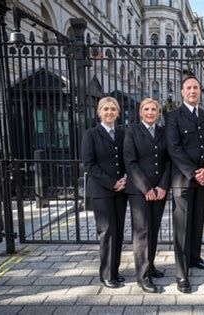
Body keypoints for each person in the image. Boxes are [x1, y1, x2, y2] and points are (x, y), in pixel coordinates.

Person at [165, 75, 204, 293]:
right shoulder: (173, 117)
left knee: (197, 222)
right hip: (184, 180)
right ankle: (181, 273)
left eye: (196, 88)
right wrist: (193, 172)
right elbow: (173, 148)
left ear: (200, 91)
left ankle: (195, 258)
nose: (192, 91)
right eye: (188, 88)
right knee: (182, 227)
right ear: (182, 91)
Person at [123, 98, 170, 293]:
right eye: (147, 109)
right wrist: (146, 188)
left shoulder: (163, 132)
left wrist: (162, 186)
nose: (150, 112)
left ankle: (150, 266)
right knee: (142, 233)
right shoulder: (132, 131)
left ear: (158, 113)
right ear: (141, 112)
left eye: (154, 110)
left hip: (159, 191)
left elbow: (169, 161)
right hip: (139, 191)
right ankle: (142, 277)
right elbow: (130, 162)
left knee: (154, 229)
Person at [82, 96, 128, 289]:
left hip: (121, 190)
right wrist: (112, 183)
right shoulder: (91, 134)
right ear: (99, 112)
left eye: (113, 109)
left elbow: (127, 158)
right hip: (102, 191)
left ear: (118, 112)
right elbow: (89, 165)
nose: (109, 112)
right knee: (107, 231)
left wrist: (125, 178)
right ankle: (106, 274)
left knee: (118, 232)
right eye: (105, 109)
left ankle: (115, 272)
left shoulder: (122, 133)